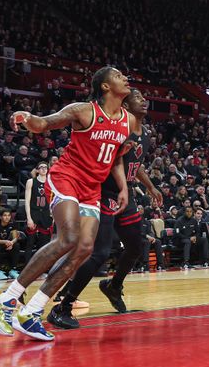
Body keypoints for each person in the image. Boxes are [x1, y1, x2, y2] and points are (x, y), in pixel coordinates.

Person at [0, 66, 131, 342]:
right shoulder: (83, 110)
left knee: (84, 249)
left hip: (92, 188)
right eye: (118, 75)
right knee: (69, 239)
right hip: (66, 177)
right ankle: (6, 301)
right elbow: (44, 123)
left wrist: (123, 187)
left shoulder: (127, 120)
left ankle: (32, 312)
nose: (125, 78)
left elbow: (117, 156)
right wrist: (27, 117)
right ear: (104, 86)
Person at [48, 89, 162, 329]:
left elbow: (135, 164)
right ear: (126, 106)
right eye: (138, 97)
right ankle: (64, 304)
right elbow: (108, 160)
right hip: (102, 191)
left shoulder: (146, 134)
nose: (144, 100)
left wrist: (151, 187)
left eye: (143, 97)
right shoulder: (120, 127)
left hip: (124, 193)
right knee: (99, 252)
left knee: (136, 244)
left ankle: (113, 285)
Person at [23, 162, 53, 264]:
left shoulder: (51, 182)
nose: (44, 169)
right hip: (34, 212)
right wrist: (29, 218)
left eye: (45, 167)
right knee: (30, 242)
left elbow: (53, 200)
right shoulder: (31, 181)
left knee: (44, 244)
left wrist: (52, 216)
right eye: (41, 167)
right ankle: (27, 267)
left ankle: (41, 268)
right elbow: (27, 201)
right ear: (37, 170)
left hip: (46, 214)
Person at [0, 209, 20, 281]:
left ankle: (13, 270)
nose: (7, 217)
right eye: (5, 215)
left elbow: (15, 238)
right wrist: (7, 241)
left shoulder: (13, 223)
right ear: (0, 217)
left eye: (9, 215)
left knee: (16, 246)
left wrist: (11, 243)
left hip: (7, 243)